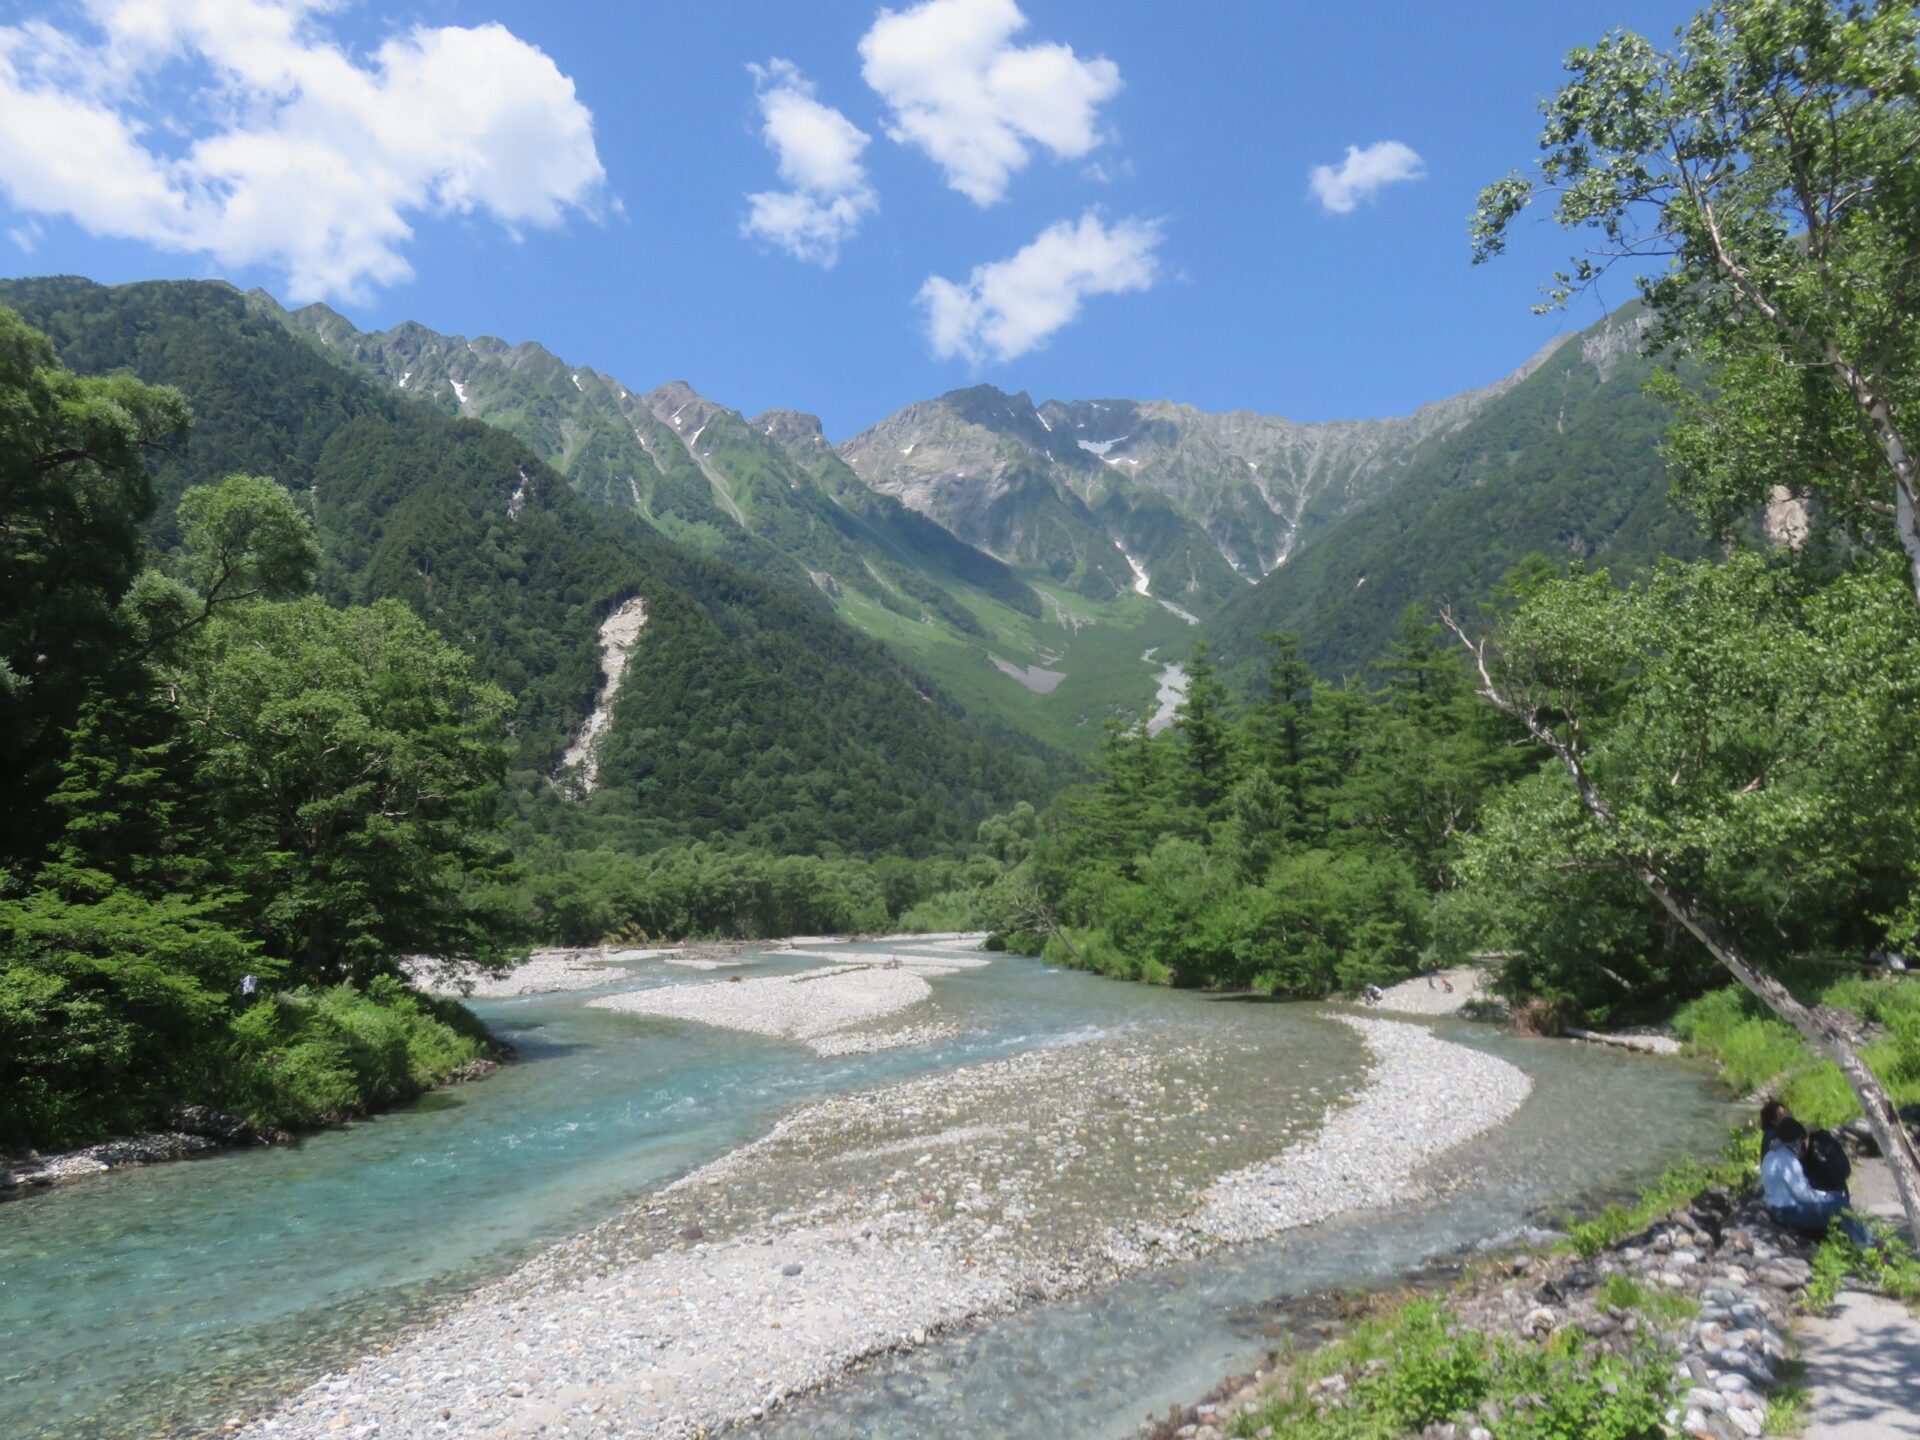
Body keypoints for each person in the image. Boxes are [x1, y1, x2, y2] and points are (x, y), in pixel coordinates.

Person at [1761, 1119, 1873, 1247]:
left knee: (1837, 1200)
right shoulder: (1790, 1162)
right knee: (1840, 1206)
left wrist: (1828, 1196)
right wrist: (1826, 1196)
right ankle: (1866, 1244)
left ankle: (1864, 1240)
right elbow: (1805, 1196)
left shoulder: (1770, 1155)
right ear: (1796, 1140)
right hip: (1788, 1212)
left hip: (1776, 1208)